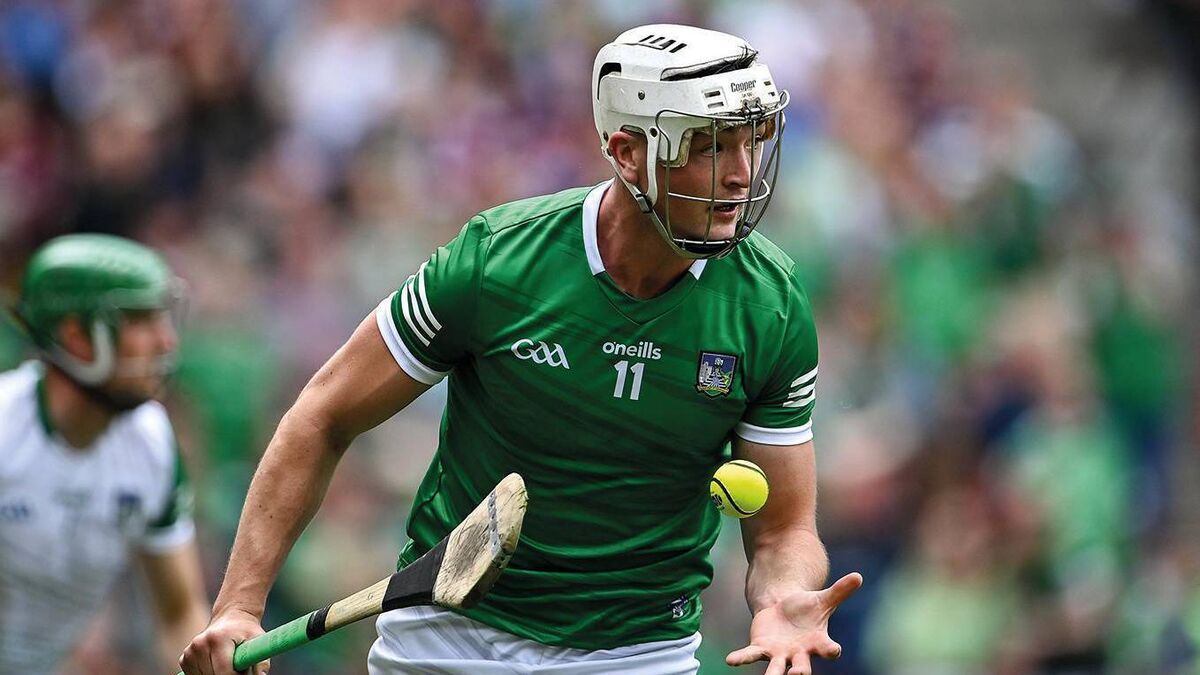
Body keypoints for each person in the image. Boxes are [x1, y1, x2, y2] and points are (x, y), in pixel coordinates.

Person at [182, 23, 861, 675]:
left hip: (637, 652)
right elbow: (324, 414)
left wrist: (783, 598)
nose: (741, 175)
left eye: (752, 142)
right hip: (448, 635)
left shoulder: (771, 304)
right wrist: (240, 604)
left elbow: (782, 531)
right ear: (628, 152)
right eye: (710, 146)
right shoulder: (497, 263)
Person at [0, 234, 210, 673]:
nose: (167, 342)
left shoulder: (152, 441)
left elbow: (179, 615)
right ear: (76, 337)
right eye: (140, 321)